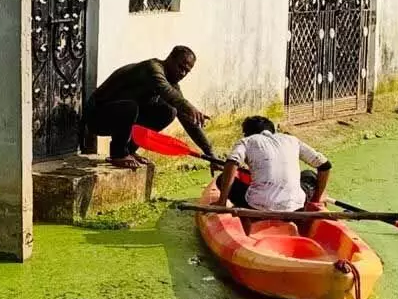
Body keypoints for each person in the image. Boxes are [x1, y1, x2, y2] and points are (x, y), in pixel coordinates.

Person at [82, 46, 213, 170]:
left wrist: (210, 154)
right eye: (180, 67)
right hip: (97, 117)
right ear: (170, 59)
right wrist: (189, 107)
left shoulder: (172, 83)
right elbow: (166, 91)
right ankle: (118, 154)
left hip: (122, 117)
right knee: (131, 107)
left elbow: (188, 120)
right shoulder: (152, 68)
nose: (182, 73)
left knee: (169, 112)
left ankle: (129, 150)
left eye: (186, 71)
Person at [215, 116, 332, 212]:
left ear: (246, 134)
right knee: (309, 174)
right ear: (273, 131)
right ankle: (315, 202)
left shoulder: (247, 141)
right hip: (296, 207)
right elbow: (325, 165)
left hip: (256, 206)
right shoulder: (291, 139)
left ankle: (225, 202)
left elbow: (231, 162)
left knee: (221, 179)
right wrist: (317, 198)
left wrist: (222, 201)